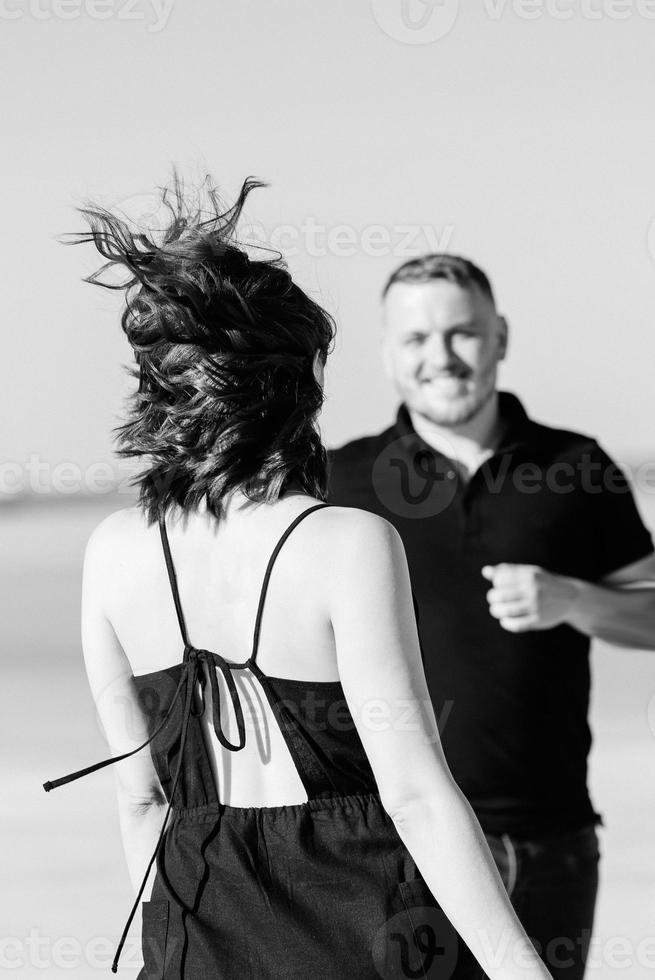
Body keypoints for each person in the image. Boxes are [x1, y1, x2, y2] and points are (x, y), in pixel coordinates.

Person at [42, 178, 553, 980]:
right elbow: (415, 798)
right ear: (297, 379)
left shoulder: (111, 551)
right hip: (367, 940)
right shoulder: (346, 544)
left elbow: (141, 800)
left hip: (189, 944)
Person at [326, 253, 655, 980]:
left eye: (462, 333)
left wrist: (574, 600)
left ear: (499, 336)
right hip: (384, 844)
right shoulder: (336, 484)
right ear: (387, 354)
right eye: (415, 340)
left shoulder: (575, 465)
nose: (440, 358)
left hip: (544, 846)